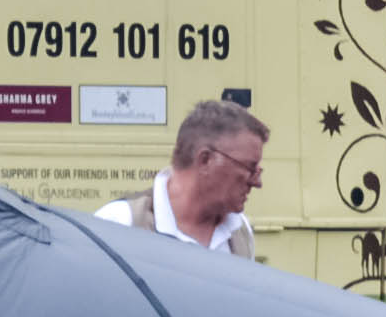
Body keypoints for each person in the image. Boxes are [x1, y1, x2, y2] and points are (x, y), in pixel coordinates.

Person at [91, 98, 268, 254]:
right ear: (205, 160)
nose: (257, 182)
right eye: (250, 167)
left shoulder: (239, 232)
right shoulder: (119, 223)